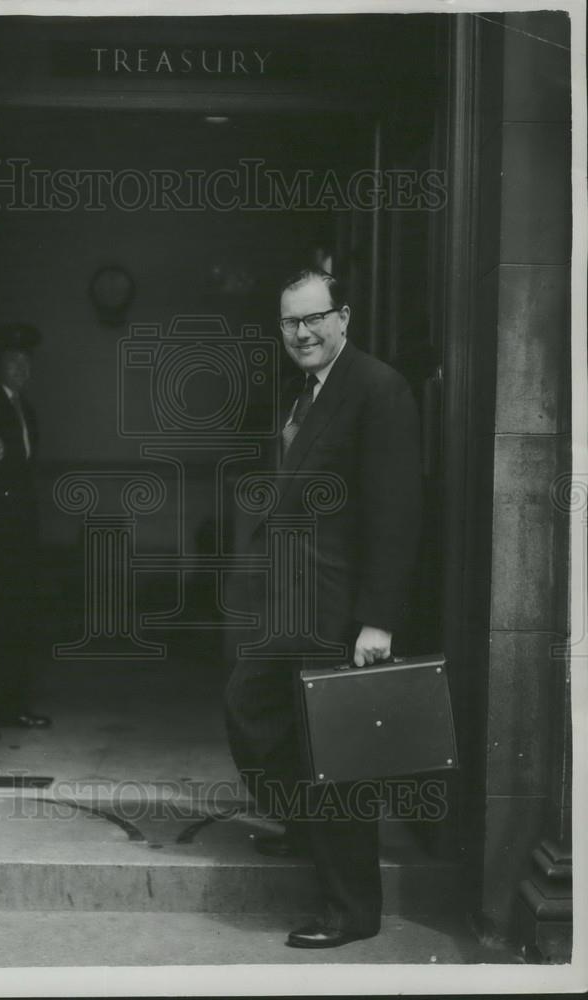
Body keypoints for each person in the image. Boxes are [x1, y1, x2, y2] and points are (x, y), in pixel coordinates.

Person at [224, 266, 422, 948]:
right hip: (286, 604)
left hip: (340, 609)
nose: (302, 332)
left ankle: (351, 910)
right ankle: (306, 825)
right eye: (290, 321)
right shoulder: (304, 390)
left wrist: (380, 618)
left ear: (344, 318)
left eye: (314, 318)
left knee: (337, 754)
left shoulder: (378, 388)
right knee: (253, 712)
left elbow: (396, 513)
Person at [0, 322, 51, 741]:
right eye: (13, 361)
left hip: (22, 532)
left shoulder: (24, 408)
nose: (21, 369)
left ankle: (14, 707)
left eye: (26, 362)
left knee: (19, 619)